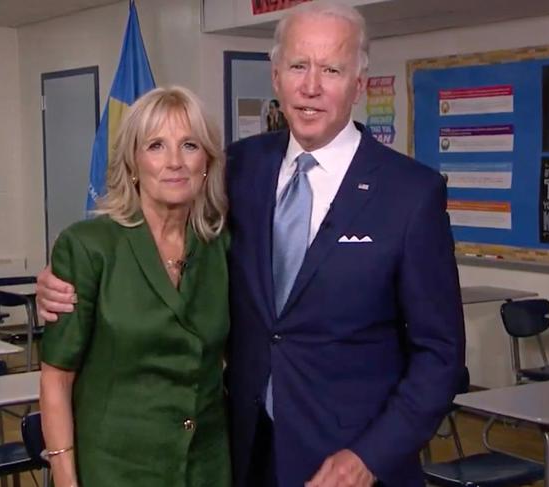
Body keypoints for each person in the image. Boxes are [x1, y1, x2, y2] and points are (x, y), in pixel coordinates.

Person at [37, 2, 465, 486]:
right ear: (276, 75)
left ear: (360, 83)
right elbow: (145, 246)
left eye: (331, 69)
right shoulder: (239, 170)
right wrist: (57, 288)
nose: (311, 86)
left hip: (347, 462)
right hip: (237, 452)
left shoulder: (410, 194)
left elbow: (441, 356)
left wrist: (370, 456)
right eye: (299, 66)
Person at [39, 86, 231, 487]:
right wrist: (64, 477)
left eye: (190, 145)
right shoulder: (89, 246)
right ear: (132, 163)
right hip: (114, 469)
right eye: (157, 146)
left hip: (205, 468)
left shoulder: (223, 247)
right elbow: (56, 379)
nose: (175, 162)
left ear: (207, 162)